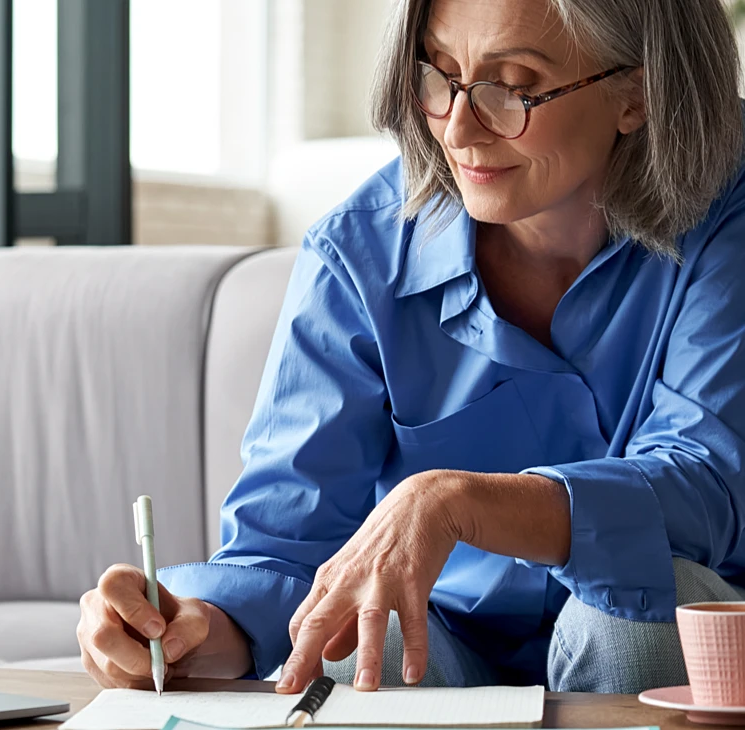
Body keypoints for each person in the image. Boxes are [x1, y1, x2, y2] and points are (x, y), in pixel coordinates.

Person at [77, 0, 745, 695]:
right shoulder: (357, 253)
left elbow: (708, 485)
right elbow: (285, 549)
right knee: (356, 633)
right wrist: (186, 630)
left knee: (636, 602)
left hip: (670, 627)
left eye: (512, 86)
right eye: (440, 76)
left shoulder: (731, 211)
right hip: (446, 637)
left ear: (635, 93)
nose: (458, 129)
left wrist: (453, 500)